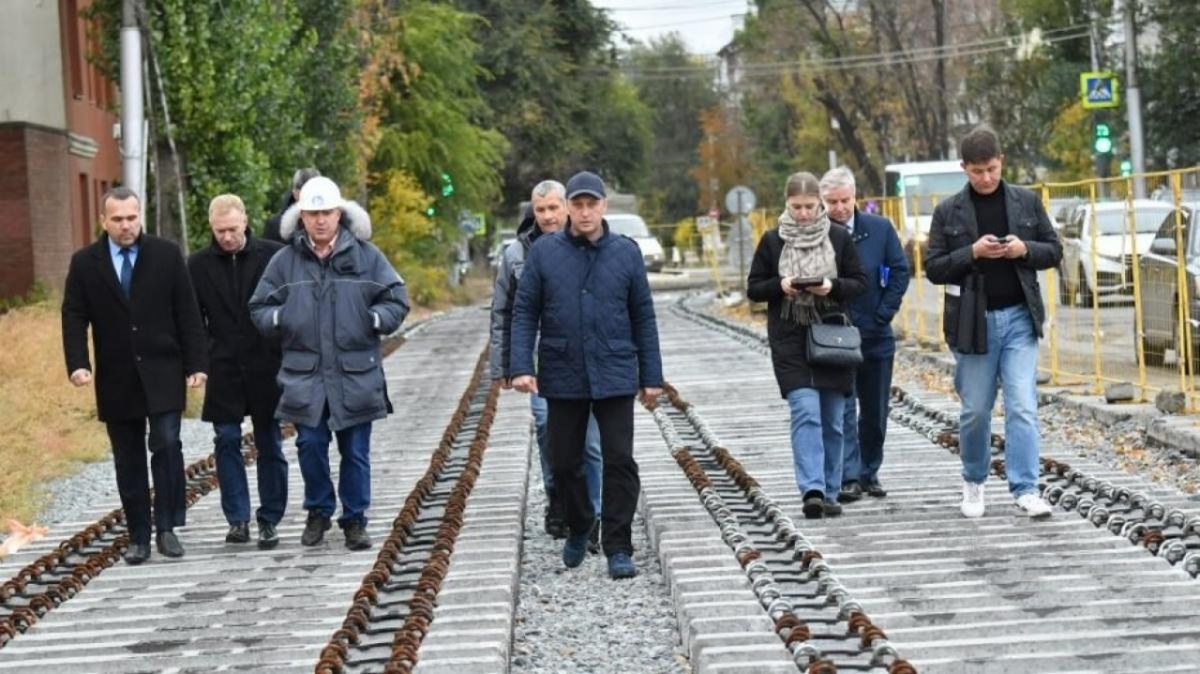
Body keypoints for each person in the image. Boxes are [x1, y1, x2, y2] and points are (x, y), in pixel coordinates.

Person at [509, 171, 663, 580]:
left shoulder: (625, 253)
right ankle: (580, 525)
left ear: (603, 206)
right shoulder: (545, 254)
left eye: (591, 204)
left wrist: (652, 376)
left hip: (614, 369)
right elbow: (525, 311)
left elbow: (643, 316)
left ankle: (618, 545)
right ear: (568, 209)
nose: (584, 212)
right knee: (564, 462)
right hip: (563, 371)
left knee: (619, 460)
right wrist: (521, 365)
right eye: (577, 205)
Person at [249, 176, 410, 549]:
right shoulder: (285, 262)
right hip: (305, 375)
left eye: (326, 212)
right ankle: (318, 510)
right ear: (300, 217)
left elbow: (396, 300)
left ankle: (355, 519)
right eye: (312, 213)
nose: (320, 220)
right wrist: (281, 320)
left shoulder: (368, 257)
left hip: (356, 372)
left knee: (355, 450)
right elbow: (259, 306)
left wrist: (374, 320)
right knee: (310, 445)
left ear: (339, 213)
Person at [61, 187, 209, 564]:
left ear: (139, 215)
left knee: (166, 443)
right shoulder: (85, 263)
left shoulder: (166, 254)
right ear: (103, 221)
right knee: (128, 459)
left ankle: (167, 528)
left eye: (131, 217)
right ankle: (139, 536)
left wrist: (196, 363)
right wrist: (79, 363)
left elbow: (187, 312)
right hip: (116, 375)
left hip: (163, 368)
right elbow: (74, 315)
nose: (126, 226)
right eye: (118, 219)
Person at [924, 125, 1061, 520]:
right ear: (963, 168)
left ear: (1002, 162)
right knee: (976, 411)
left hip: (1020, 317)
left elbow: (1054, 251)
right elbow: (933, 268)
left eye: (992, 169)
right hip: (973, 323)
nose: (986, 177)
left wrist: (1023, 249)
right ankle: (974, 480)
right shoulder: (948, 211)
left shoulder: (1026, 202)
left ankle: (1026, 487)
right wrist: (972, 252)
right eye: (977, 171)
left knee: (1022, 405)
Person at [489, 182, 604, 549]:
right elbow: (503, 311)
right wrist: (504, 366)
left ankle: (592, 513)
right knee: (546, 427)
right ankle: (558, 493)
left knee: (590, 441)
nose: (549, 216)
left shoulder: (590, 244)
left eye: (555, 208)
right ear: (532, 214)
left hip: (585, 355)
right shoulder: (515, 254)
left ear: (567, 208)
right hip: (538, 355)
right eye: (541, 210)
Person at [747, 171, 866, 520]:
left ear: (820, 204)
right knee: (805, 412)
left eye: (809, 206)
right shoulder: (772, 241)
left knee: (832, 419)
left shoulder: (840, 238)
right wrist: (779, 286)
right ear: (786, 204)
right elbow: (755, 287)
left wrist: (831, 286)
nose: (802, 214)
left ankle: (830, 490)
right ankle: (811, 489)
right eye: (796, 207)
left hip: (831, 337)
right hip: (789, 337)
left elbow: (859, 283)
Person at [188, 194, 288, 549]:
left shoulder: (274, 255)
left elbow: (287, 305)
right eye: (220, 231)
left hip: (266, 362)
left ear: (245, 221)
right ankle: (237, 519)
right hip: (224, 364)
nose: (227, 237)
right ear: (211, 228)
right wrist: (198, 362)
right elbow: (192, 320)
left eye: (232, 229)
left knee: (269, 440)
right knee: (226, 439)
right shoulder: (197, 265)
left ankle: (270, 517)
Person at [819, 167, 910, 503]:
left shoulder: (880, 229)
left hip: (874, 333)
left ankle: (870, 471)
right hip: (834, 335)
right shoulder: (816, 235)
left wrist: (883, 313)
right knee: (841, 407)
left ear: (855, 197)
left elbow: (900, 271)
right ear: (822, 202)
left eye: (844, 200)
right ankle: (849, 475)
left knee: (874, 409)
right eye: (832, 202)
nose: (840, 208)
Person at [263, 167, 321, 244]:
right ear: (295, 192)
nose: (311, 195)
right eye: (305, 190)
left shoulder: (333, 221)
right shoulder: (276, 225)